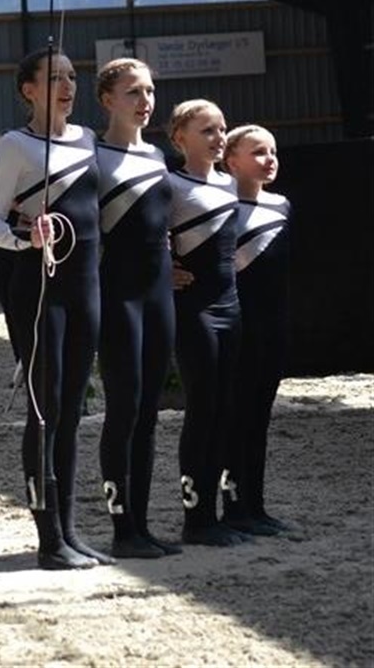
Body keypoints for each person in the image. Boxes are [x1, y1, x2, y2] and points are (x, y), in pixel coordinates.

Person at [0, 48, 111, 570]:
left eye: (73, 77)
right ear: (28, 90)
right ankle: (48, 539)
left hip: (87, 288)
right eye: (55, 78)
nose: (68, 86)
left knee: (73, 412)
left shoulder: (89, 139)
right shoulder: (14, 145)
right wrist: (24, 239)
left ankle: (71, 532)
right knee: (46, 410)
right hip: (41, 288)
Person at [93, 58, 181, 559]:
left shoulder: (157, 155)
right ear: (108, 100)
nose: (145, 101)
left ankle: (143, 526)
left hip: (159, 295)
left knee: (149, 413)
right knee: (123, 410)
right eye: (133, 92)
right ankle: (122, 529)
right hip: (118, 295)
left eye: (149, 90)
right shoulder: (94, 155)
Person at [166, 99, 250, 547]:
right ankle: (196, 518)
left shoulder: (229, 183)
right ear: (180, 137)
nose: (219, 138)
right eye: (207, 131)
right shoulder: (171, 184)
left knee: (224, 409)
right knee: (202, 409)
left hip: (230, 307)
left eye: (221, 129)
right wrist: (162, 268)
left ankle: (220, 513)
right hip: (194, 309)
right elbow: (138, 236)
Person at [219, 125, 294, 536]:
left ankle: (256, 505)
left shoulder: (281, 205)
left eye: (273, 151)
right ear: (231, 162)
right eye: (258, 152)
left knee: (259, 417)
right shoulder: (219, 206)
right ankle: (233, 507)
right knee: (235, 418)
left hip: (272, 326)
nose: (269, 160)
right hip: (236, 325)